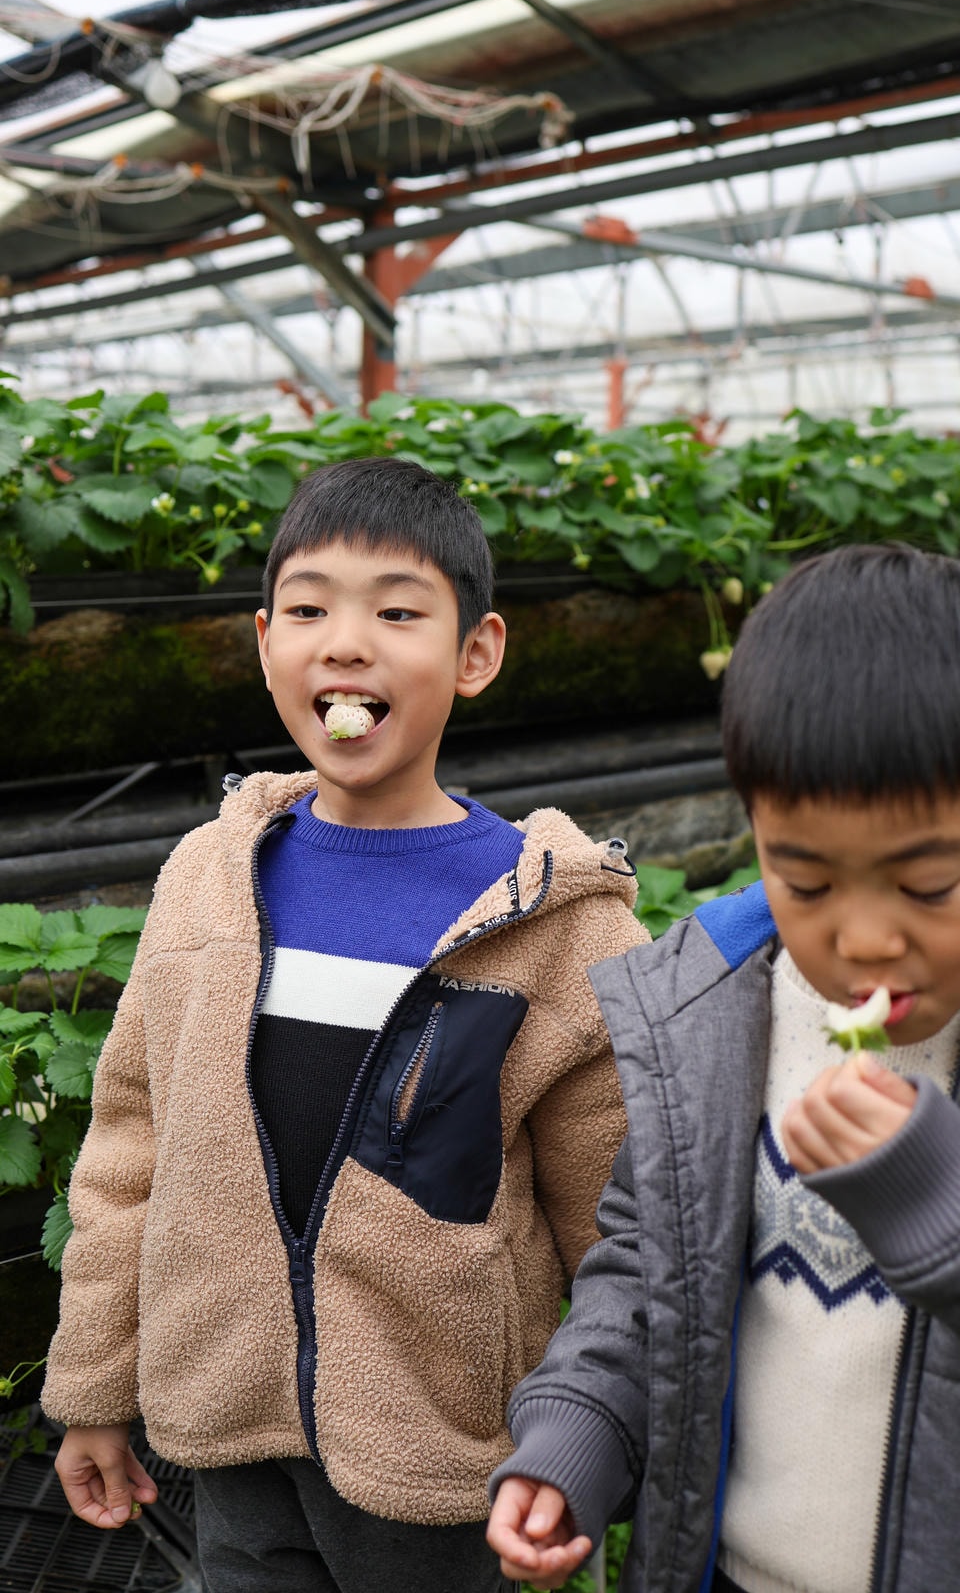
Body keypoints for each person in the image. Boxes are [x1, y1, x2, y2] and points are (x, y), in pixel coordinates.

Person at [487, 543, 960, 1593]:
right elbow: (647, 1274)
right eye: (807, 881)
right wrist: (582, 1436)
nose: (864, 941)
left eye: (925, 885)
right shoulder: (717, 1013)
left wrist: (951, 1194)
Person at [44, 455, 646, 1593]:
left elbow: (623, 1225)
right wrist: (92, 1389)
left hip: (450, 1462)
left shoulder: (553, 926)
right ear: (267, 640)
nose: (346, 642)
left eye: (398, 612)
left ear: (476, 655)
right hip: (226, 1428)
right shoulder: (208, 882)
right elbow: (128, 1157)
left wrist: (595, 1444)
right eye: (310, 609)